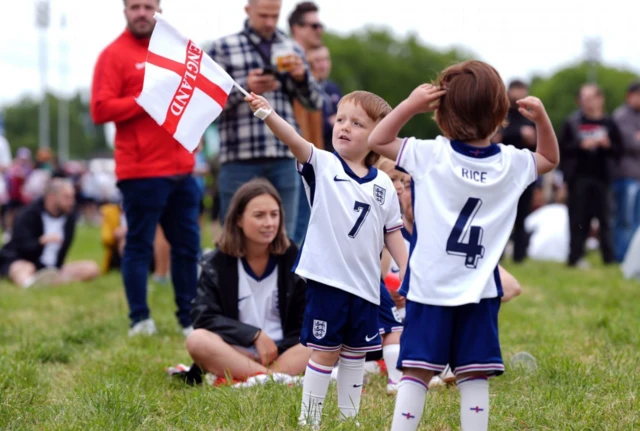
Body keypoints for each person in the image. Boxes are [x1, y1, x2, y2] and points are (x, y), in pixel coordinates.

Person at [368, 60, 559, 431]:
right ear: (501, 111)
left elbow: (378, 141)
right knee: (474, 375)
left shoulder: (430, 154)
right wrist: (542, 119)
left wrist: (409, 104)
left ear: (440, 113)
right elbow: (550, 158)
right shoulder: (510, 163)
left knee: (416, 371)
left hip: (429, 285)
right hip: (481, 286)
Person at [246, 90, 408, 427]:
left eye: (358, 123)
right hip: (328, 282)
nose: (344, 126)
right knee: (325, 350)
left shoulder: (384, 185)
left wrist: (409, 272)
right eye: (341, 118)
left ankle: (350, 418)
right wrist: (268, 113)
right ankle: (310, 419)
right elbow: (293, 138)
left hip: (366, 286)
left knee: (355, 353)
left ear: (378, 137)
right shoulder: (322, 163)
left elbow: (393, 233)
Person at [90, 0, 202, 337]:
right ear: (124, 11)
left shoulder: (177, 49)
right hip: (140, 170)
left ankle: (189, 318)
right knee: (138, 246)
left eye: (147, 6)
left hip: (182, 167)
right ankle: (140, 320)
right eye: (134, 6)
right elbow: (99, 109)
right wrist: (145, 97)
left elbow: (193, 95)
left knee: (188, 247)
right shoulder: (113, 55)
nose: (141, 12)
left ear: (160, 9)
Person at [207, 0, 323, 237]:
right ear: (248, 10)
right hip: (239, 156)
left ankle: (282, 276)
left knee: (286, 237)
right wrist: (245, 87)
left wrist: (300, 78)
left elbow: (314, 102)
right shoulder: (223, 48)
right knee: (234, 236)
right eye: (263, 15)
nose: (270, 22)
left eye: (275, 15)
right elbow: (208, 103)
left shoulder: (292, 48)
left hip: (283, 154)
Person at [185, 179, 310, 383]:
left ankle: (259, 377)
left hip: (284, 354)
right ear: (238, 220)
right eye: (259, 215)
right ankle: (274, 379)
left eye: (274, 214)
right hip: (237, 352)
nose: (269, 223)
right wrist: (254, 335)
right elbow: (204, 317)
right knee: (196, 340)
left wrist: (275, 348)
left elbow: (305, 323)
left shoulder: (293, 258)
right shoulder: (215, 263)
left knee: (329, 338)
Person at [559, 84, 622, 268]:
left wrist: (607, 145)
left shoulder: (610, 123)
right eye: (583, 98)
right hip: (579, 177)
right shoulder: (573, 122)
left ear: (600, 99)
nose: (586, 102)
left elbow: (619, 151)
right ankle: (575, 257)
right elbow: (562, 150)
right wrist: (580, 145)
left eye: (590, 98)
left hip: (602, 177)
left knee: (605, 219)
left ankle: (609, 259)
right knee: (578, 219)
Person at [0, 178, 100, 288]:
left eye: (72, 197)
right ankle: (29, 283)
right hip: (26, 262)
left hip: (54, 268)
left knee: (91, 268)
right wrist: (41, 242)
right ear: (52, 197)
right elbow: (19, 245)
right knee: (22, 268)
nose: (72, 202)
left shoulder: (69, 218)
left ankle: (49, 282)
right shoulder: (27, 215)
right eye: (66, 197)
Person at [288, 1, 326, 245]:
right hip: (294, 158)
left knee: (304, 229)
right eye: (313, 25)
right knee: (295, 231)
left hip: (310, 157)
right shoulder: (287, 62)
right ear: (296, 29)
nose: (319, 30)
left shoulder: (309, 67)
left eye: (319, 25)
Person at [501, 80, 537, 263]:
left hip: (525, 172)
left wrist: (532, 138)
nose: (519, 94)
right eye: (516, 91)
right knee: (502, 214)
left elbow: (540, 145)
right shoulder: (501, 113)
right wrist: (520, 134)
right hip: (504, 171)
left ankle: (519, 256)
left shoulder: (531, 115)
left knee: (523, 216)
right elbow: (497, 136)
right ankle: (498, 254)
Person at [612, 81, 640, 262]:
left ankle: (634, 258)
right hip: (625, 177)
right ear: (629, 96)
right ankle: (621, 256)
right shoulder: (621, 116)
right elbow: (630, 143)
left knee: (636, 221)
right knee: (624, 220)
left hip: (637, 175)